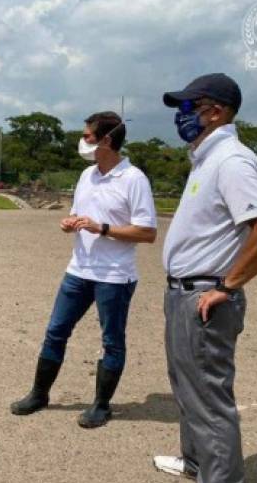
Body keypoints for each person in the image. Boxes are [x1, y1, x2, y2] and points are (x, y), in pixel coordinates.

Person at [156, 73, 257, 483]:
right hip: (185, 291)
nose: (181, 115)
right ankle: (196, 462)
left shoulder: (232, 160)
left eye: (189, 105)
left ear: (216, 111)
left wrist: (228, 286)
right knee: (186, 384)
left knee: (209, 399)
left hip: (206, 296)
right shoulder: (207, 159)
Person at [11, 111, 157, 428]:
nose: (83, 140)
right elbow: (80, 216)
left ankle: (101, 405)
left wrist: (101, 227)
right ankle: (39, 393)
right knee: (55, 331)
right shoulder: (86, 175)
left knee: (111, 341)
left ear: (106, 140)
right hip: (78, 270)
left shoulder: (134, 179)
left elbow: (147, 233)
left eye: (87, 135)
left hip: (114, 277)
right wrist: (71, 223)